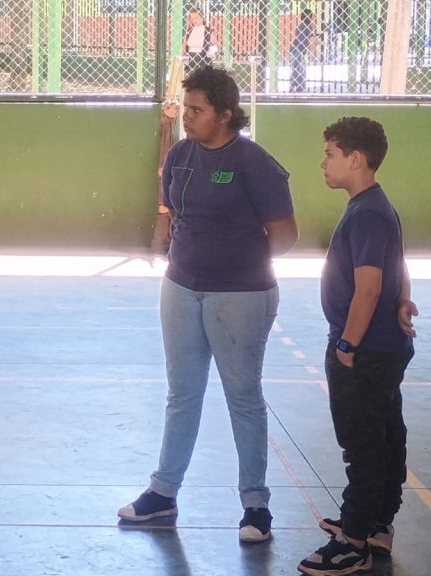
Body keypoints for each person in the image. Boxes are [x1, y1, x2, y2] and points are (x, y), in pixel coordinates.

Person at [117, 67, 298, 543]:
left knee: (242, 396)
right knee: (182, 393)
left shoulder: (253, 162)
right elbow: (172, 205)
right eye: (186, 108)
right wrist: (169, 232)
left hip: (241, 294)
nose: (187, 118)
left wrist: (235, 259)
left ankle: (255, 506)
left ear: (224, 114)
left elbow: (285, 236)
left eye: (197, 110)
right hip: (181, 287)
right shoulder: (180, 155)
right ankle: (162, 493)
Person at [298, 117, 417, 576]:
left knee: (363, 444)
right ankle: (376, 525)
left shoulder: (366, 211)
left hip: (365, 353)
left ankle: (353, 541)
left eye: (329, 154)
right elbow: (396, 264)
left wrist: (348, 344)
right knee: (386, 435)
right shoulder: (375, 206)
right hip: (383, 349)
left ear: (355, 159)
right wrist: (404, 296)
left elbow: (368, 288)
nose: (323, 163)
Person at [290, 9, 318, 93]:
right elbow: (312, 38)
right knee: (300, 69)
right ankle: (299, 87)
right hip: (299, 49)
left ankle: (295, 86)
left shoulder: (301, 25)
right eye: (311, 16)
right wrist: (322, 42)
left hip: (295, 48)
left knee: (296, 68)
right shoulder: (307, 26)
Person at [183, 8, 213, 74]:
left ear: (202, 17)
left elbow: (215, 45)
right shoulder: (189, 30)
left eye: (196, 18)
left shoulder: (207, 30)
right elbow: (184, 47)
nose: (194, 20)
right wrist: (184, 62)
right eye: (192, 18)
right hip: (190, 59)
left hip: (203, 59)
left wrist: (212, 52)